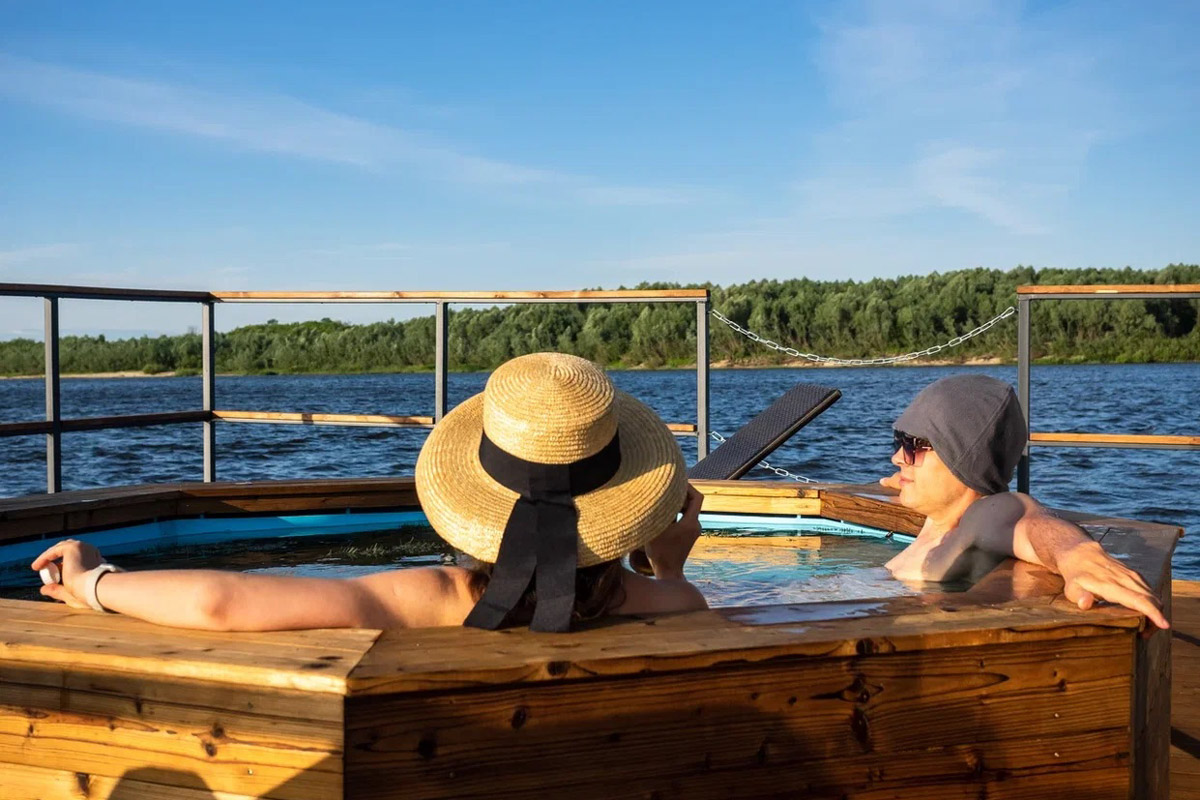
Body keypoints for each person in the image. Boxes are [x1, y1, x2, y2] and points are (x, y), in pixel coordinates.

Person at [31, 353, 708, 632]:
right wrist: (667, 564)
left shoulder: (433, 599)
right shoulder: (673, 602)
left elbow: (220, 601)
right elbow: (656, 589)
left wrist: (93, 582)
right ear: (635, 508)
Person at [880, 373, 1169, 629]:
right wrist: (904, 481)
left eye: (912, 447)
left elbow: (1027, 520)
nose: (896, 458)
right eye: (899, 441)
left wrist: (1076, 555)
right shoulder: (940, 519)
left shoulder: (981, 518)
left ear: (964, 462)